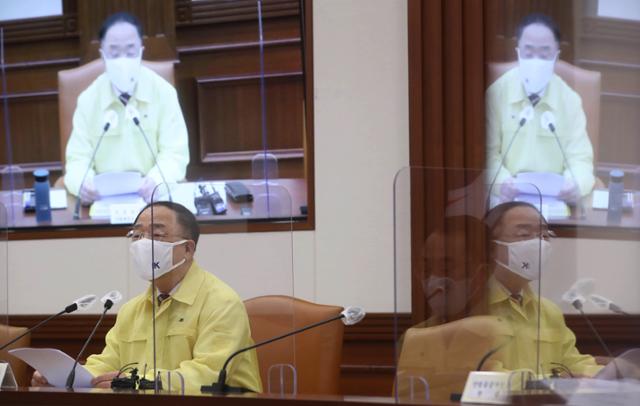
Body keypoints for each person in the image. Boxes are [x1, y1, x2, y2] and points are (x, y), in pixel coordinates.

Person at [32, 201, 262, 393]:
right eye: (137, 234)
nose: (143, 243)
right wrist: (64, 376)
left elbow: (208, 375)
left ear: (188, 249)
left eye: (157, 234)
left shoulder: (221, 302)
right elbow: (109, 363)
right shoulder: (132, 310)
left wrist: (138, 382)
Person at [64, 12, 189, 203]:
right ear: (103, 55)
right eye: (114, 53)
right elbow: (77, 159)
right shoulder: (88, 100)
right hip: (101, 202)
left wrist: (157, 180)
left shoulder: (163, 92)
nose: (123, 60)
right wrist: (83, 183)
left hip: (152, 198)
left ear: (140, 51)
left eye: (130, 52)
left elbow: (175, 154)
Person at [483, 201, 602, 377]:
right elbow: (482, 379)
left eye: (545, 235)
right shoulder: (474, 308)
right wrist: (554, 382)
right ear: (492, 247)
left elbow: (571, 363)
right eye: (524, 234)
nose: (538, 243)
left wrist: (613, 374)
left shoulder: (548, 311)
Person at [486, 13, 595, 203]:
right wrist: (501, 182)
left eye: (544, 54)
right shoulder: (497, 94)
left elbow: (581, 159)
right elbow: (486, 154)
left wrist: (575, 184)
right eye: (529, 53)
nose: (536, 61)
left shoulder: (570, 100)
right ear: (518, 52)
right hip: (507, 198)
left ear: (556, 56)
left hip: (556, 201)